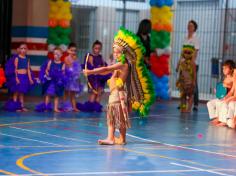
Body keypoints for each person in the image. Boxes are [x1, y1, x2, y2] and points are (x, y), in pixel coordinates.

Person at [83, 27, 155, 145]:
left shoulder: (123, 64)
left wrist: (90, 72)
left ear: (124, 53)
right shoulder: (123, 64)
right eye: (114, 51)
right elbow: (107, 71)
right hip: (121, 93)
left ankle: (110, 138)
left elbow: (106, 68)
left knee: (111, 115)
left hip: (117, 93)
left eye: (117, 52)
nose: (115, 54)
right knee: (121, 117)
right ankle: (122, 139)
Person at [77, 40, 111, 112]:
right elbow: (91, 67)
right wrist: (98, 69)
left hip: (101, 77)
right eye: (96, 48)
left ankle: (97, 107)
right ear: (93, 48)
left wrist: (104, 69)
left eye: (99, 48)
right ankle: (90, 107)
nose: (97, 50)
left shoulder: (100, 57)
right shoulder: (90, 56)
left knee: (99, 93)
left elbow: (104, 65)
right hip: (93, 78)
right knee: (93, 93)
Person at [177, 20, 200, 111]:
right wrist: (179, 63)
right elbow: (182, 52)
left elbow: (195, 52)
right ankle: (182, 103)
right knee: (182, 83)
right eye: (188, 25)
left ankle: (195, 104)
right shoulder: (185, 38)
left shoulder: (196, 39)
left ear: (194, 28)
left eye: (191, 26)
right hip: (183, 65)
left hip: (192, 65)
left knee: (193, 84)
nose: (189, 27)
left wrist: (191, 63)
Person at [4, 43, 35, 111]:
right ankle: (15, 106)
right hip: (18, 77)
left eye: (24, 48)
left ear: (27, 50)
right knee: (16, 92)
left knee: (22, 93)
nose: (23, 50)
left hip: (24, 77)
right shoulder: (17, 58)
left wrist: (30, 79)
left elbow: (28, 70)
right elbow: (15, 69)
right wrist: (16, 78)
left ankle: (21, 106)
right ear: (19, 50)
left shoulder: (27, 59)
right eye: (22, 48)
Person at [35, 48, 65, 112]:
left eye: (57, 54)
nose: (56, 56)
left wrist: (60, 77)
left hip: (57, 81)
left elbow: (63, 72)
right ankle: (46, 107)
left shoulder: (63, 64)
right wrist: (47, 73)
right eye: (54, 54)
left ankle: (55, 108)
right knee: (48, 94)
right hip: (50, 81)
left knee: (57, 95)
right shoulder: (50, 61)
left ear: (61, 55)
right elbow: (46, 69)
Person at [207, 60, 235, 125]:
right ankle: (215, 118)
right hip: (223, 97)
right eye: (223, 68)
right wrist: (217, 91)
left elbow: (231, 91)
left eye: (225, 68)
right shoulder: (225, 77)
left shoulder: (233, 79)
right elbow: (223, 89)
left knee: (220, 103)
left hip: (230, 98)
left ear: (231, 69)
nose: (223, 70)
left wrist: (225, 98)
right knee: (209, 103)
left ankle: (222, 120)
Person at [176, 45, 196, 113]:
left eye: (189, 53)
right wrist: (179, 80)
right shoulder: (181, 62)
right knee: (182, 96)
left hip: (190, 82)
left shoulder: (193, 63)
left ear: (192, 54)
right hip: (183, 82)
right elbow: (179, 71)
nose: (187, 54)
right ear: (183, 53)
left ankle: (189, 108)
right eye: (185, 52)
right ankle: (183, 107)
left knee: (190, 95)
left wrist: (193, 82)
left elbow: (194, 74)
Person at [63, 43, 83, 112]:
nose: (73, 52)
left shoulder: (75, 58)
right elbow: (69, 66)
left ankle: (74, 107)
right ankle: (65, 106)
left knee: (73, 94)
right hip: (68, 78)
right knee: (66, 93)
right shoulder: (66, 58)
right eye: (71, 50)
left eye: (74, 51)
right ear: (68, 50)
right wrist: (73, 61)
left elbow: (78, 68)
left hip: (74, 79)